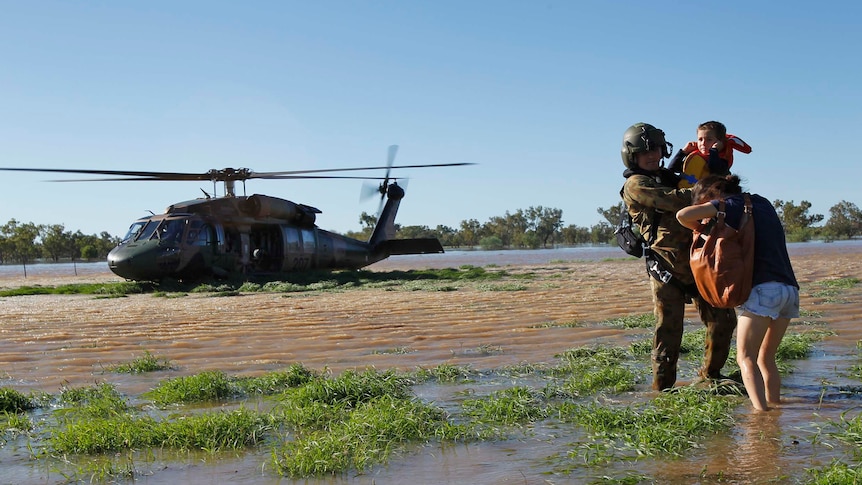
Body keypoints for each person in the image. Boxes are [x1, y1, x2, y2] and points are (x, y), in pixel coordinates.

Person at [620, 122, 738, 391]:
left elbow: (698, 181)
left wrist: (717, 167)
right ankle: (663, 391)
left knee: (723, 321)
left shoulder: (672, 174)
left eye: (657, 150)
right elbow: (678, 200)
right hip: (666, 268)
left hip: (700, 264)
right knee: (669, 333)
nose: (652, 156)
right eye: (644, 153)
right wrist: (714, 191)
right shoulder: (636, 184)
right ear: (632, 156)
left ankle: (711, 377)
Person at [677, 174, 799, 411]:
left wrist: (702, 229)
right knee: (766, 357)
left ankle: (761, 416)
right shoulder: (761, 202)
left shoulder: (726, 206)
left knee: (745, 358)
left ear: (712, 194)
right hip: (789, 290)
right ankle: (776, 408)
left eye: (702, 202)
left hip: (763, 291)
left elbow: (682, 216)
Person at [668, 121, 752, 188]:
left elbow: (714, 169)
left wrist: (714, 151)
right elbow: (671, 169)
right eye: (700, 139)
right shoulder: (694, 155)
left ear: (719, 142)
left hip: (704, 196)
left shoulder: (721, 161)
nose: (703, 143)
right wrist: (683, 152)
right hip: (684, 192)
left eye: (709, 139)